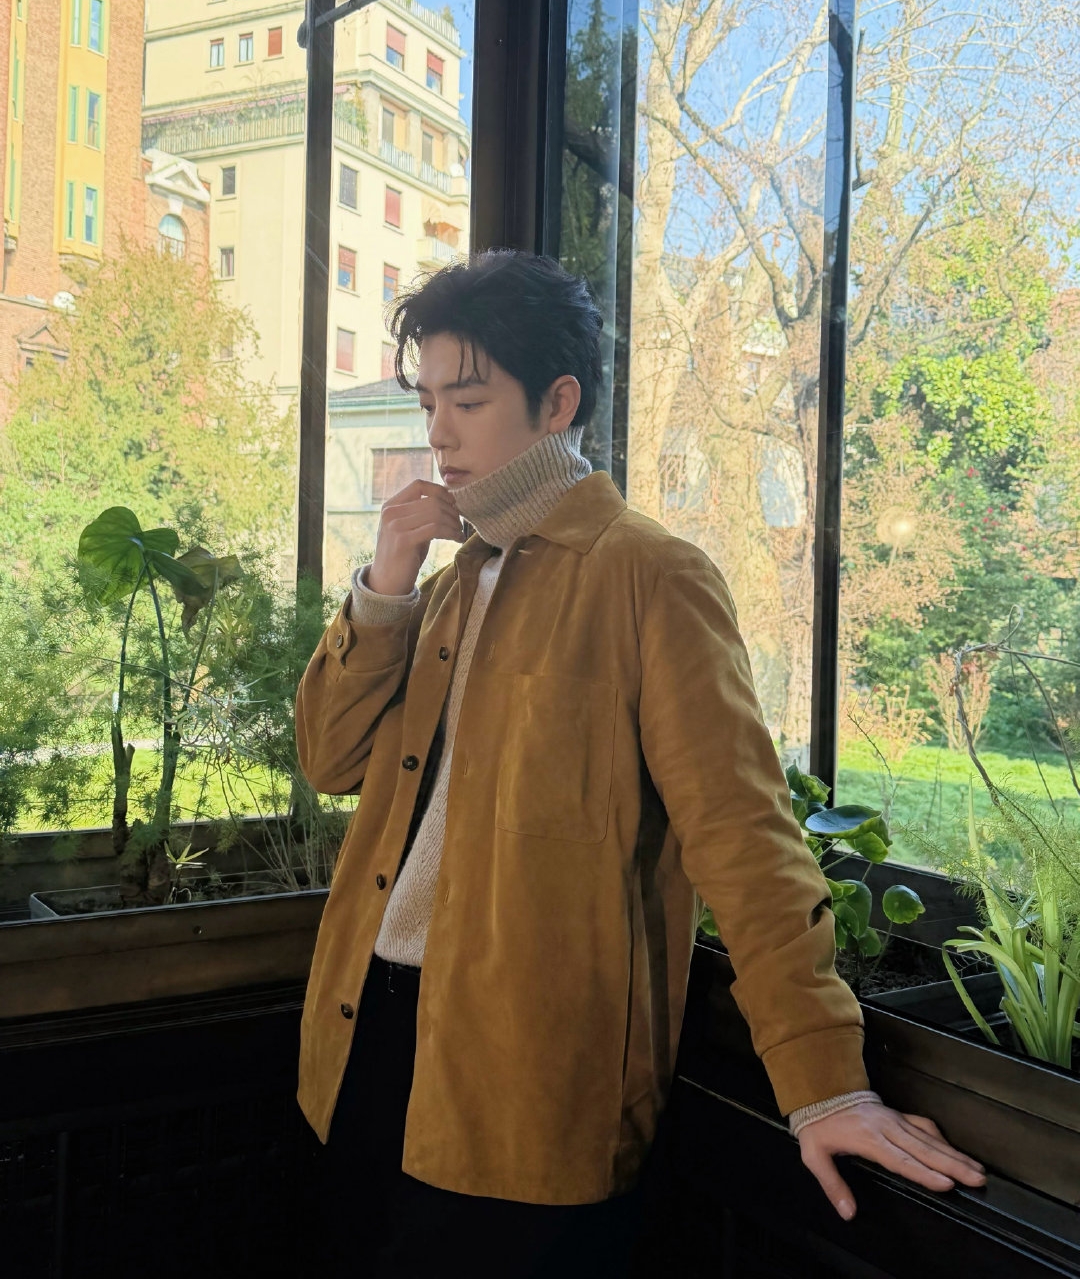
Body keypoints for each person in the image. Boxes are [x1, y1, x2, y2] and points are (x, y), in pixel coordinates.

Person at [294, 250, 985, 1275]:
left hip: (525, 1084)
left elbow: (745, 839)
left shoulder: (651, 577)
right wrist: (385, 584)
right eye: (429, 401)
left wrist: (823, 1083)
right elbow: (329, 759)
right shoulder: (444, 585)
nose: (437, 432)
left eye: (468, 401)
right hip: (362, 1043)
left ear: (557, 402)